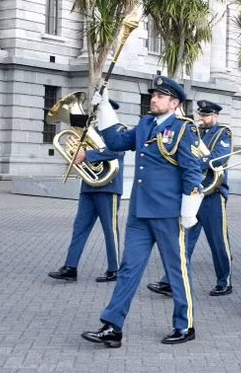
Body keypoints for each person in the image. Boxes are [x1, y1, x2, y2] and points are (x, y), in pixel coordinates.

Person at [81, 76, 204, 347]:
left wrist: (188, 210)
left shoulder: (184, 129)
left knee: (176, 270)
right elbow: (115, 142)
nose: (154, 99)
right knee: (129, 269)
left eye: (160, 96)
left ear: (174, 103)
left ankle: (185, 325)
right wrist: (103, 107)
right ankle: (112, 326)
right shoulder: (146, 123)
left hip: (169, 213)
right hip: (140, 211)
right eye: (153, 95)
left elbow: (192, 171)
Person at [147, 100, 233, 297]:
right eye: (200, 115)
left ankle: (224, 281)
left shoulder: (223, 133)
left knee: (218, 241)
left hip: (213, 194)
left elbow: (219, 158)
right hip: (194, 193)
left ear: (215, 116)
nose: (202, 119)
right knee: (183, 241)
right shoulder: (192, 131)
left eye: (206, 115)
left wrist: (192, 161)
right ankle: (170, 281)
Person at [49, 99, 125, 284]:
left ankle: (114, 269)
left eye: (100, 110)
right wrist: (75, 150)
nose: (96, 114)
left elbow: (117, 152)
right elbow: (79, 154)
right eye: (96, 111)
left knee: (110, 231)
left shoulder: (119, 130)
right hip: (89, 186)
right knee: (79, 228)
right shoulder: (88, 131)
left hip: (108, 186)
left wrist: (87, 154)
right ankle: (70, 267)